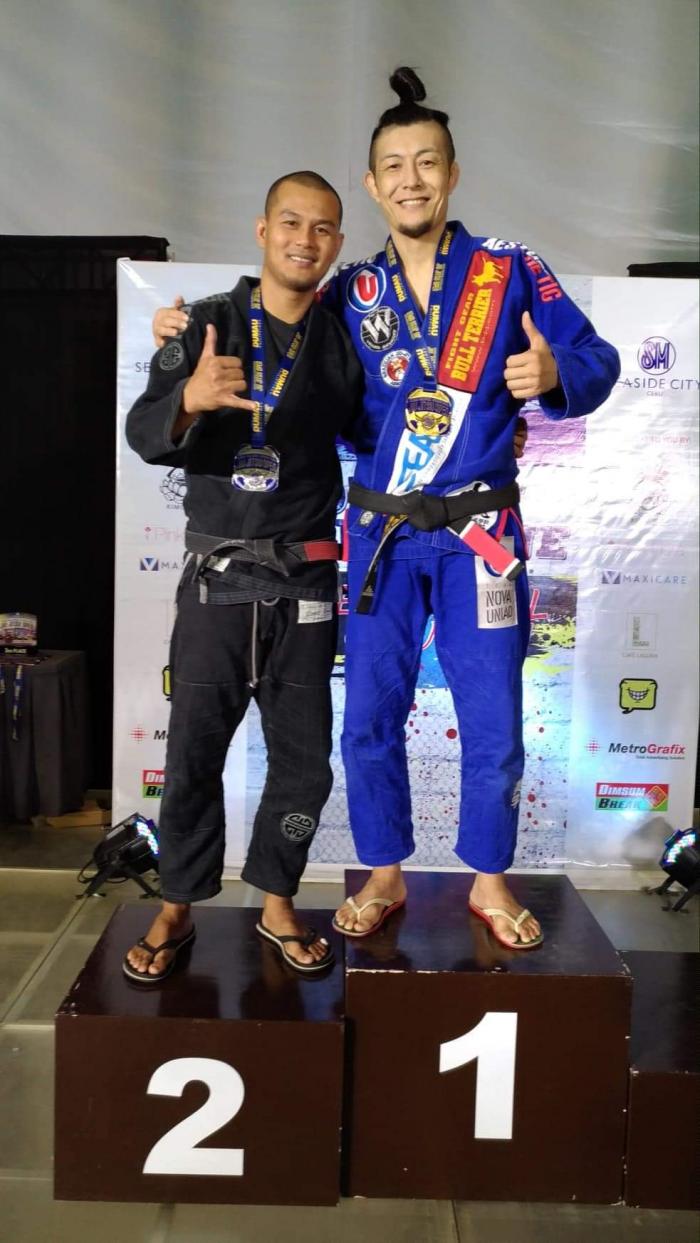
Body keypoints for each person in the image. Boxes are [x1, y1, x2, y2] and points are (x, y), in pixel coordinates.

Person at [153, 68, 620, 952]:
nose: (412, 180)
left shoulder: (510, 269)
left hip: (481, 535)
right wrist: (181, 335)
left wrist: (557, 373)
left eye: (427, 162)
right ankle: (382, 869)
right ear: (372, 185)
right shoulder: (350, 290)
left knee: (494, 717)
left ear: (453, 174)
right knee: (369, 714)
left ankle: (489, 877)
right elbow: (273, 334)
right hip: (378, 536)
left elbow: (597, 359)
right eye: (394, 166)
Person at [123, 171, 363, 980]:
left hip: (305, 581)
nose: (305, 239)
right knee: (193, 755)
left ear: (336, 244)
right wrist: (189, 398)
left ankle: (278, 901)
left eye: (323, 228)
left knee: (304, 763)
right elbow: (143, 431)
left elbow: (385, 429)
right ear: (263, 230)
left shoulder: (341, 342)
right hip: (217, 582)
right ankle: (176, 906)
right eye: (291, 222)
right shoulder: (205, 324)